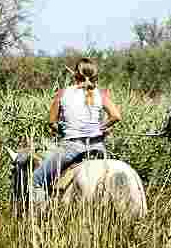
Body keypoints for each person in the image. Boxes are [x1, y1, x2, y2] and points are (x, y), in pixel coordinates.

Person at [32, 58, 122, 189]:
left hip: (72, 148)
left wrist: (62, 131)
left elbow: (51, 122)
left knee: (36, 181)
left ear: (75, 74)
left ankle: (38, 209)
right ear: (94, 75)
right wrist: (100, 128)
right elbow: (116, 116)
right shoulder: (100, 94)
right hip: (98, 148)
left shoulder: (62, 93)